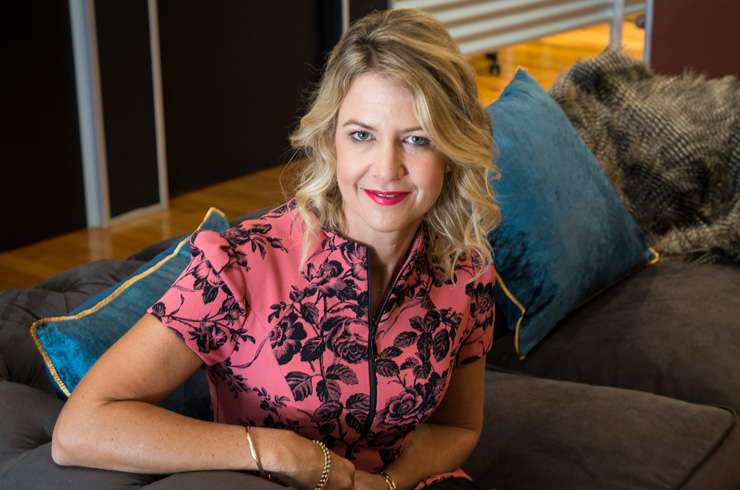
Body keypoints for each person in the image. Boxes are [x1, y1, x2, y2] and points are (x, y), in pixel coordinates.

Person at [51, 8, 501, 490]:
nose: (386, 167)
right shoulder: (239, 264)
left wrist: (387, 484)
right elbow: (81, 428)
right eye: (362, 135)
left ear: (451, 151)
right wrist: (278, 450)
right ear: (331, 140)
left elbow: (458, 427)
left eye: (416, 139)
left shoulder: (466, 274)